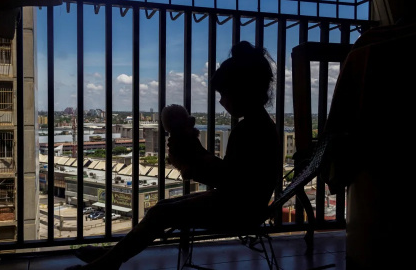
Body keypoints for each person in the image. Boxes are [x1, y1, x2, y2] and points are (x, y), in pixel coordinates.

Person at [65, 40, 280, 270]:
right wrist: (196, 154)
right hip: (246, 206)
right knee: (163, 207)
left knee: (161, 212)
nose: (221, 101)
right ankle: (112, 256)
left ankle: (108, 262)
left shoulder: (248, 130)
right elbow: (232, 176)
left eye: (224, 93)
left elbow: (227, 181)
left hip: (240, 210)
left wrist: (190, 163)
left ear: (242, 91)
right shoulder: (260, 127)